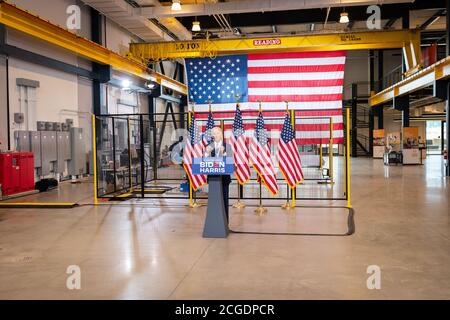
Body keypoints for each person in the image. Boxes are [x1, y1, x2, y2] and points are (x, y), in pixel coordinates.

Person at [205, 127, 232, 223]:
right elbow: (204, 162)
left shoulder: (227, 146)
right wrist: (207, 153)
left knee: (224, 200)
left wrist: (223, 153)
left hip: (224, 179)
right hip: (213, 179)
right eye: (213, 134)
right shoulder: (209, 146)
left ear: (221, 134)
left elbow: (230, 162)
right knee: (214, 201)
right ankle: (214, 222)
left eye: (217, 133)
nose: (215, 135)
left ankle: (225, 223)